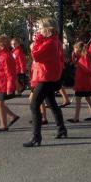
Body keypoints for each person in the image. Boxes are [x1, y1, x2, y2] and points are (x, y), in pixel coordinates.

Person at [24, 18, 67, 148]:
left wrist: (34, 44)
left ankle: (36, 137)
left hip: (46, 77)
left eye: (41, 28)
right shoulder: (53, 41)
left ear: (48, 29)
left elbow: (37, 56)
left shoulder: (51, 43)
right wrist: (39, 41)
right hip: (48, 76)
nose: (39, 31)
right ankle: (61, 129)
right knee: (52, 103)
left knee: (34, 105)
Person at [0, 35, 20, 132]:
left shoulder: (6, 56)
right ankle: (13, 116)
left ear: (1, 46)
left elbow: (10, 73)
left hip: (3, 85)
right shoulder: (2, 56)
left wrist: (10, 87)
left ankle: (3, 125)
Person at [68, 42, 91, 123]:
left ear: (79, 49)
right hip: (84, 80)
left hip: (83, 81)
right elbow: (75, 63)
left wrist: (79, 65)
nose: (74, 50)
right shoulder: (82, 56)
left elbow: (87, 69)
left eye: (75, 49)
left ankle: (76, 117)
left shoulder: (85, 56)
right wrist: (74, 57)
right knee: (87, 98)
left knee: (78, 99)